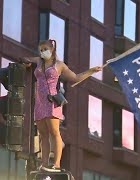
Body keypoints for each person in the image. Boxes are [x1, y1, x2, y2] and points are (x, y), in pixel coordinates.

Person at [19, 39, 102, 172]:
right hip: (39, 102)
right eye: (40, 50)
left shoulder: (59, 65)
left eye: (45, 49)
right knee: (43, 134)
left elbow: (75, 77)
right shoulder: (39, 61)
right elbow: (25, 58)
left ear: (52, 50)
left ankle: (56, 164)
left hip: (52, 101)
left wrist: (91, 71)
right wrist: (26, 62)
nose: (42, 52)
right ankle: (44, 164)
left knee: (54, 132)